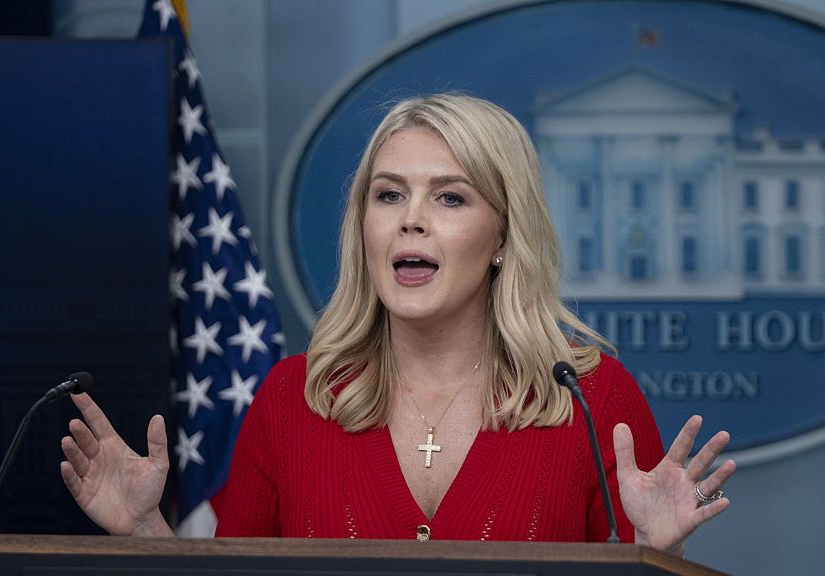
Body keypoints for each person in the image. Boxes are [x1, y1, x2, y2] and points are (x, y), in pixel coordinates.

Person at [60, 94, 735, 554]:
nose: (411, 218)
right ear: (365, 226)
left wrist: (652, 557)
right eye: (389, 195)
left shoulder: (594, 399)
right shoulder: (293, 399)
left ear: (503, 237)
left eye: (449, 196)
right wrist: (148, 531)